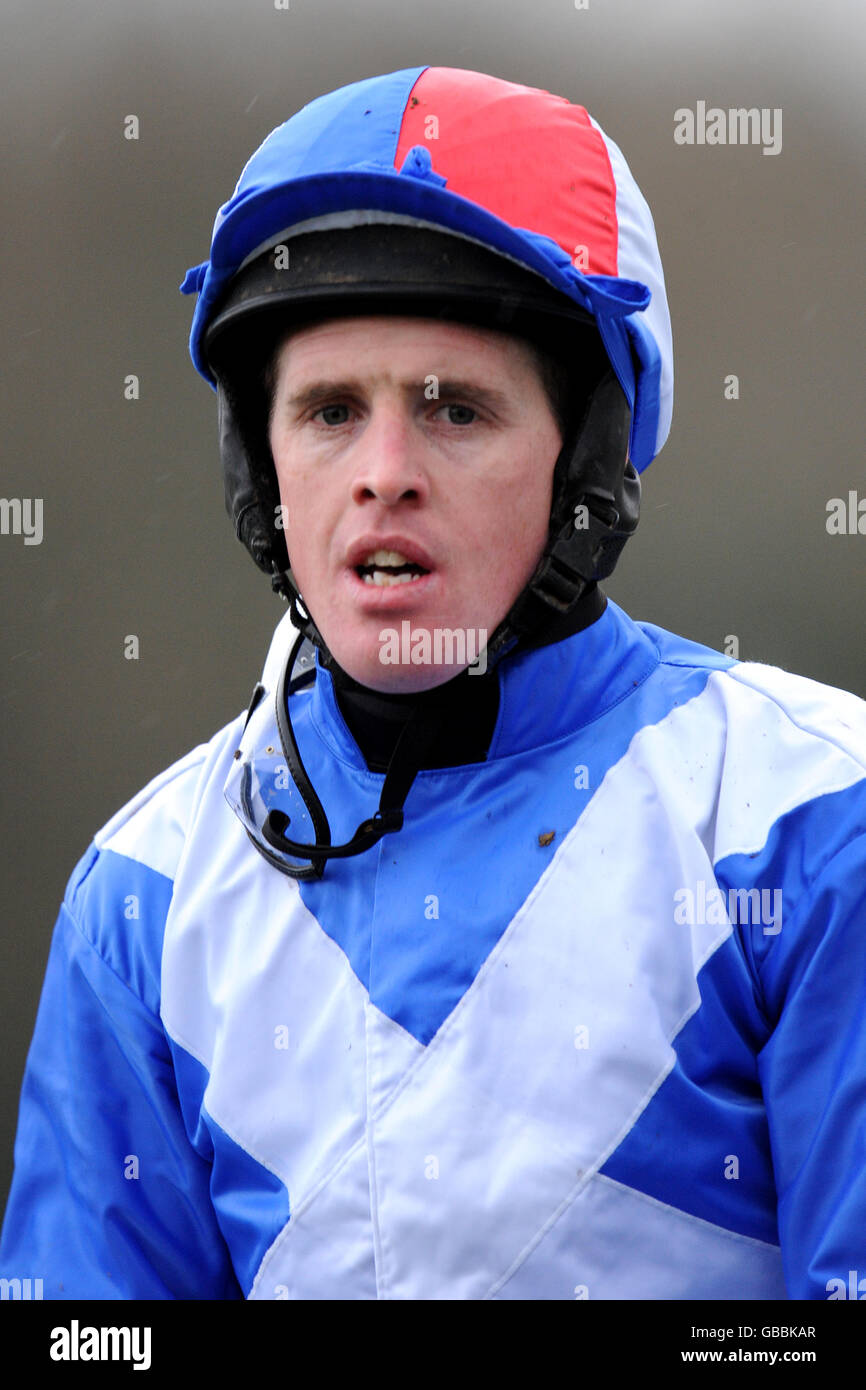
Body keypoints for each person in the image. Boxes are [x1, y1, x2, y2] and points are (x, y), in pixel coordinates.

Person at [2, 64, 865, 1302]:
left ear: (589, 464)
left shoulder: (812, 824)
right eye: (329, 410)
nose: (383, 472)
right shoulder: (141, 898)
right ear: (263, 470)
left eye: (454, 410)